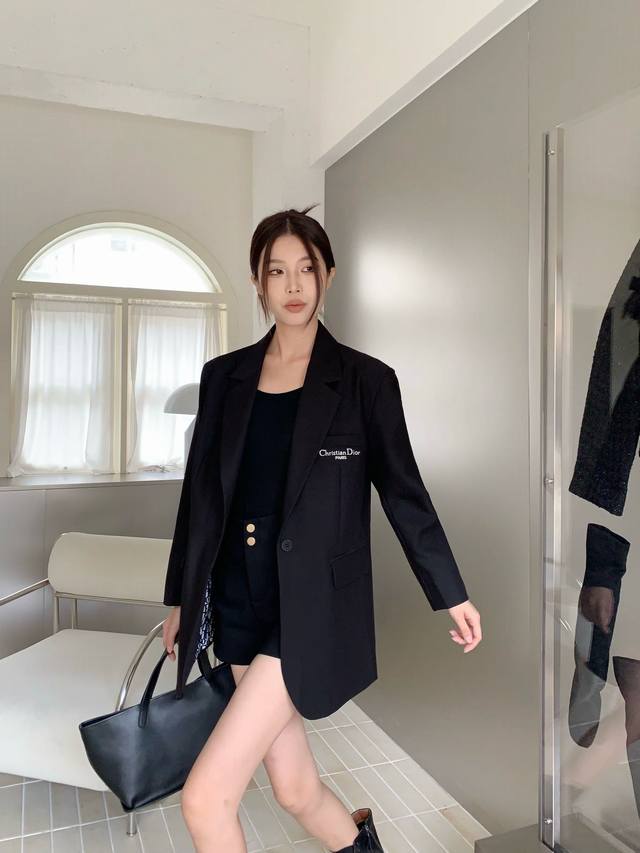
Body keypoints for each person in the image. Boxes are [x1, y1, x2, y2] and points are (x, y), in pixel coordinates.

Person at [162, 205, 482, 853]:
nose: (293, 285)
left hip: (310, 609)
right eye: (276, 271)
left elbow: (404, 493)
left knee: (204, 799)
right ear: (258, 281)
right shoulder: (223, 377)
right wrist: (180, 599)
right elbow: (199, 498)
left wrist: (450, 591)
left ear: (328, 275)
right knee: (295, 790)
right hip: (238, 603)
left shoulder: (365, 381)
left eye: (306, 269)